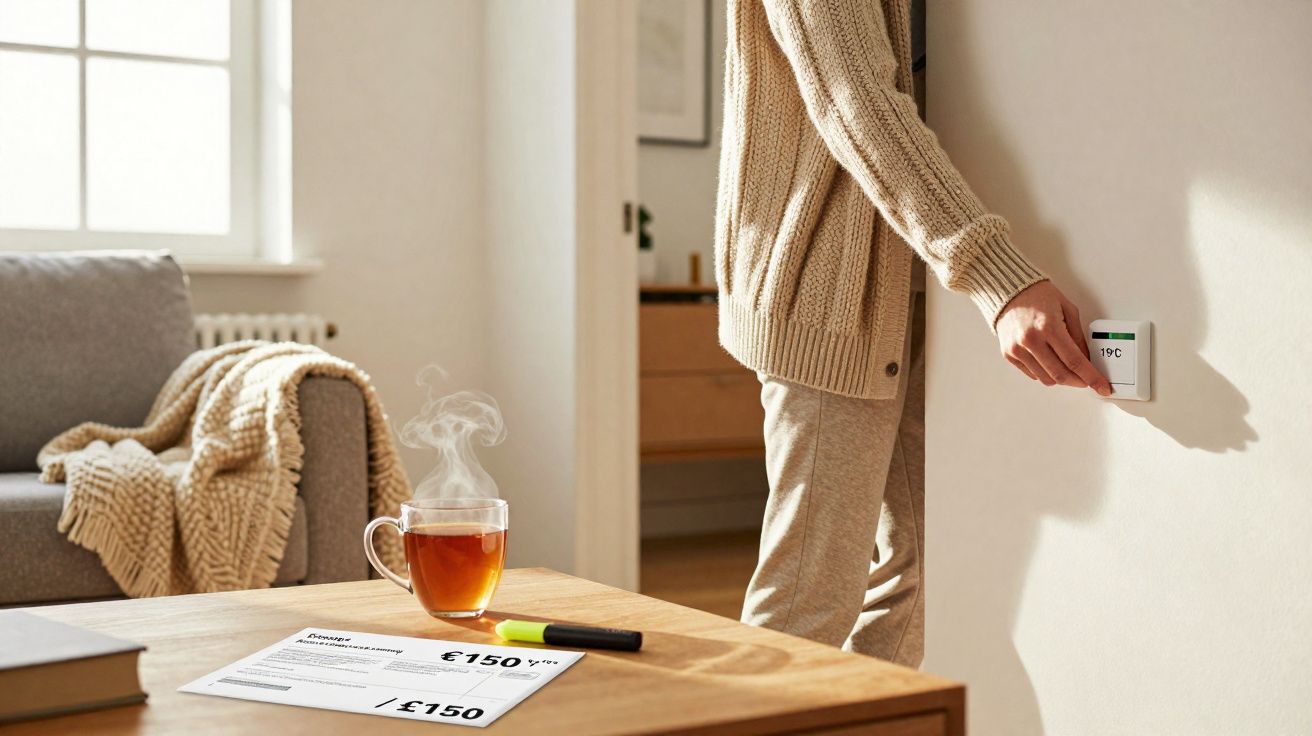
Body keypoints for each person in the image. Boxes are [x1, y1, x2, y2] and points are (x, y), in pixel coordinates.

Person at [715, 0, 1112, 668]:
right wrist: (999, 276)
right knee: (810, 601)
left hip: (920, 280)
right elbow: (853, 100)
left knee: (925, 580)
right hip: (827, 288)